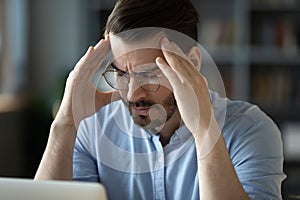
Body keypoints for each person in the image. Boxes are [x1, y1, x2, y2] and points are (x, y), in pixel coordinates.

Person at [34, 0, 286, 199]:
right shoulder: (91, 129)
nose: (133, 94)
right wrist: (65, 124)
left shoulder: (250, 130)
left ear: (192, 63)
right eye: (121, 74)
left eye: (149, 75)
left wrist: (204, 129)